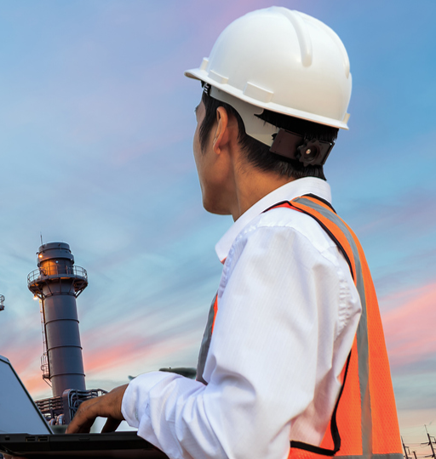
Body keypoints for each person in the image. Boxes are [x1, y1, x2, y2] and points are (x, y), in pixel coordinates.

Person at [65, 7, 403, 459]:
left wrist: (135, 396)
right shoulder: (323, 235)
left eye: (198, 115)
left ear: (221, 126)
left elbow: (232, 442)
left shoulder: (282, 239)